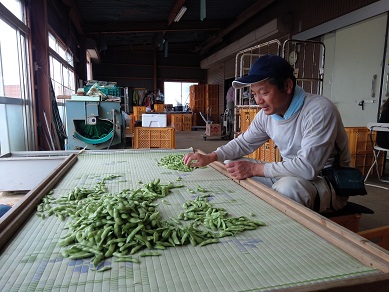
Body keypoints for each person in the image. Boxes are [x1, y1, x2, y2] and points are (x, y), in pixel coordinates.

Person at [183, 54, 350, 212]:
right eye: (255, 94)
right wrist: (210, 157)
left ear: (287, 86)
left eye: (264, 92)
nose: (258, 101)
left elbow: (307, 168)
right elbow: (243, 143)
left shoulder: (318, 110)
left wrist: (255, 169)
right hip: (291, 173)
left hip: (325, 181)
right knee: (231, 163)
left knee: (288, 188)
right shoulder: (267, 115)